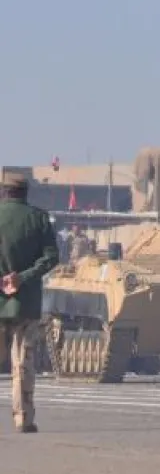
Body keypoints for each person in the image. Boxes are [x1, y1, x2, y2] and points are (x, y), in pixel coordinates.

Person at [0, 173, 59, 433]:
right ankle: (23, 416)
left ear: (4, 192)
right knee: (23, 361)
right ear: (25, 193)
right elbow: (51, 257)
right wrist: (22, 277)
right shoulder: (38, 218)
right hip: (26, 302)